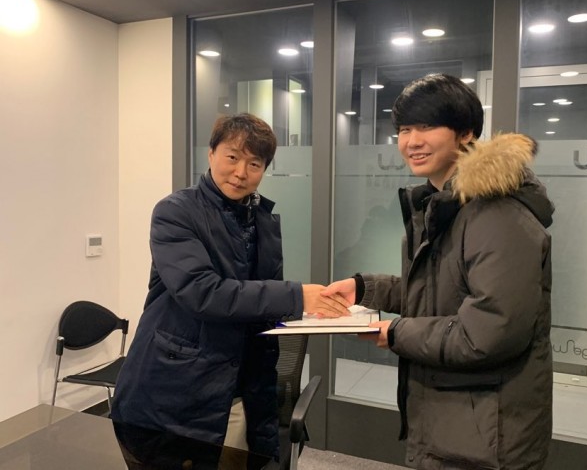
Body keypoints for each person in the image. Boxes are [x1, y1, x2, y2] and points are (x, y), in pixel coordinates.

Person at [323, 74, 554, 470]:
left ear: (465, 133)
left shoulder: (497, 212)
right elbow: (439, 292)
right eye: (404, 129)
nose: (412, 141)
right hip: (455, 423)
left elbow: (487, 333)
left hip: (487, 439)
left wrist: (395, 332)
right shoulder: (447, 204)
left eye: (427, 126)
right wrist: (364, 290)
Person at [111, 113, 349, 458]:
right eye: (232, 157)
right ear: (211, 154)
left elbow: (256, 301)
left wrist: (312, 313)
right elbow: (202, 292)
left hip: (241, 383)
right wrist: (297, 296)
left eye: (254, 164)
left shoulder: (260, 219)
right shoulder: (175, 211)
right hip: (175, 387)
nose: (240, 172)